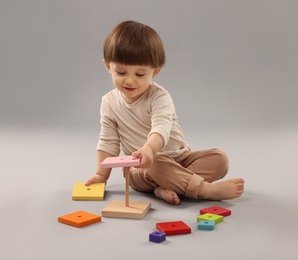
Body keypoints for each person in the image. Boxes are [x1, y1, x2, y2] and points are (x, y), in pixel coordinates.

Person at [85, 20, 244, 205]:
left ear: (155, 71)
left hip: (180, 159)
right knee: (154, 162)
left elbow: (161, 127)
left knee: (220, 159)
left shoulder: (160, 97)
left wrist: (150, 148)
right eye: (121, 72)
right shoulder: (109, 102)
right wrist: (100, 175)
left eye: (140, 74)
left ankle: (166, 186)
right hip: (142, 168)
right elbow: (108, 142)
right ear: (108, 67)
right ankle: (204, 189)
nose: (129, 81)